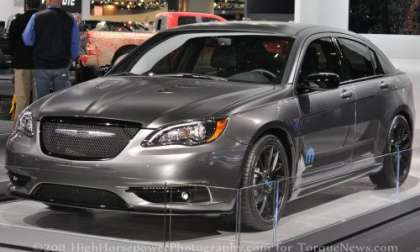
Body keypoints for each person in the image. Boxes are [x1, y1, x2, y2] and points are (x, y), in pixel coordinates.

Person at [22, 0, 80, 99]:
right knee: (60, 100)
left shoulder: (36, 16)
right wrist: (70, 60)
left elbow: (27, 40)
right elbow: (75, 44)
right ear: (61, 2)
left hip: (41, 65)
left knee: (41, 100)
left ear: (47, 2)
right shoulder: (70, 18)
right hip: (62, 65)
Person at [8, 0, 40, 120]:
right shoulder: (42, 21)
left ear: (25, 6)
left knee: (22, 98)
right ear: (39, 5)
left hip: (21, 63)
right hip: (39, 64)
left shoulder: (16, 21)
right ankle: (37, 129)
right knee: (39, 100)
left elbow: (11, 45)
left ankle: (18, 130)